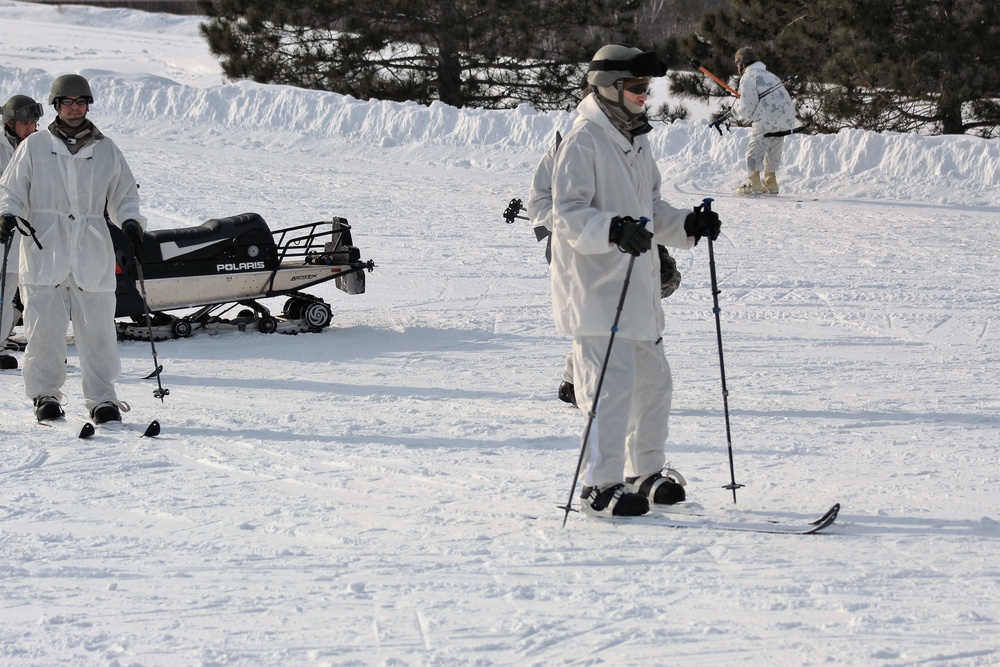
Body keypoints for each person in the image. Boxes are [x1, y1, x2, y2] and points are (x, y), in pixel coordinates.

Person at [550, 44, 721, 517]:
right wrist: (612, 229)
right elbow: (566, 214)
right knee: (610, 390)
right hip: (598, 289)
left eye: (647, 88)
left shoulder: (635, 138)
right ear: (609, 88)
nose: (645, 96)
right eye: (637, 88)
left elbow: (651, 210)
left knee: (654, 385)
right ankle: (600, 488)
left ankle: (643, 473)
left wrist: (687, 224)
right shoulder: (585, 138)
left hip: (638, 290)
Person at [0, 74, 146, 424]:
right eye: (68, 102)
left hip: (91, 249)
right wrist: (8, 214)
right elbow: (13, 188)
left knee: (97, 330)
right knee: (44, 330)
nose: (75, 107)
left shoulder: (106, 149)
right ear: (56, 105)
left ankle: (103, 399)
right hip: (44, 248)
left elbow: (125, 194)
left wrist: (130, 221)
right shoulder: (34, 146)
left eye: (81, 102)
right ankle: (45, 395)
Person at [528, 85, 681, 408]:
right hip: (580, 248)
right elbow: (540, 204)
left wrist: (658, 242)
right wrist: (577, 227)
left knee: (628, 309)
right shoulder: (570, 143)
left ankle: (621, 383)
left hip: (625, 244)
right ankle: (579, 383)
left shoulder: (631, 144)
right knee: (596, 315)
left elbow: (644, 202)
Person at [0, 95, 43, 367]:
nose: (31, 128)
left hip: (26, 235)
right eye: (25, 123)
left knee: (16, 289)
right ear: (10, 122)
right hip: (4, 230)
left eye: (34, 123)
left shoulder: (37, 146)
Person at [729, 46, 796, 195]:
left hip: (766, 119)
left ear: (742, 64)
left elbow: (747, 108)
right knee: (773, 148)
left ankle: (754, 183)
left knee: (754, 152)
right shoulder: (770, 75)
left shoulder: (748, 77)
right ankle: (770, 182)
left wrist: (734, 112)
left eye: (737, 65)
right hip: (786, 119)